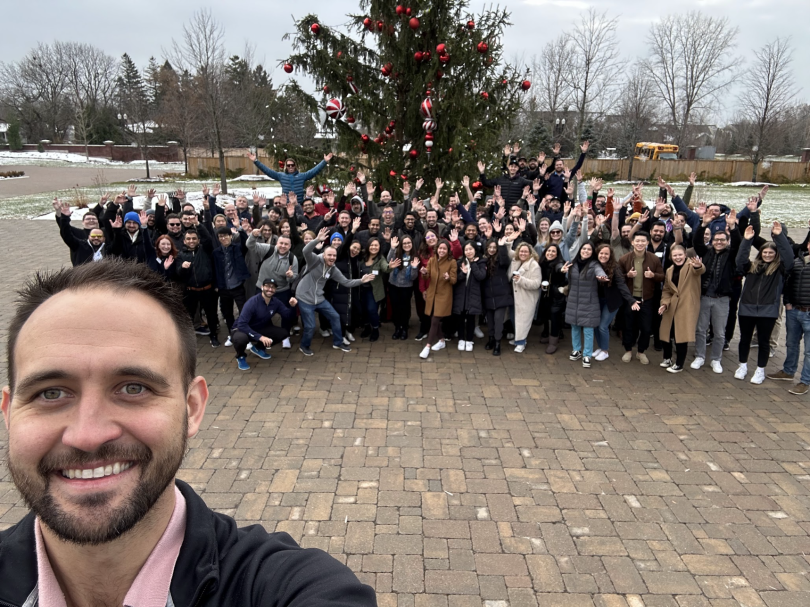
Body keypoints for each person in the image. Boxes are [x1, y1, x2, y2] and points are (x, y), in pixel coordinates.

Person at [0, 260, 377, 607]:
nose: (88, 435)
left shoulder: (284, 587)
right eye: (50, 393)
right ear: (8, 414)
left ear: (192, 407)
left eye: (133, 388)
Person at [295, 228, 375, 356]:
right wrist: (316, 239)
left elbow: (346, 282)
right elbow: (305, 250)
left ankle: (337, 342)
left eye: (334, 256)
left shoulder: (333, 269)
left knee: (335, 316)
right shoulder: (314, 260)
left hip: (319, 298)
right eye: (329, 255)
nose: (332, 258)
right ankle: (304, 346)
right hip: (304, 297)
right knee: (310, 326)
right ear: (324, 255)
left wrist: (361, 280)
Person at [734, 223, 794, 383]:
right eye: (765, 252)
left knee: (763, 341)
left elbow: (789, 258)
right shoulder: (752, 267)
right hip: (747, 308)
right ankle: (743, 366)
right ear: (760, 253)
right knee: (744, 339)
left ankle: (760, 370)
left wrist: (779, 236)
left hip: (768, 311)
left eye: (771, 253)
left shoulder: (780, 270)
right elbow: (740, 260)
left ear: (775, 254)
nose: (767, 255)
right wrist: (746, 240)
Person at [691, 210, 741, 373]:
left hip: (722, 298)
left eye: (722, 240)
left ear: (727, 242)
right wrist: (703, 224)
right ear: (712, 241)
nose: (719, 242)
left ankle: (716, 359)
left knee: (719, 332)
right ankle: (699, 356)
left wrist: (733, 228)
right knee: (700, 329)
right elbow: (697, 241)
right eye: (716, 240)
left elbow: (739, 244)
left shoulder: (731, 255)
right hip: (705, 296)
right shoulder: (706, 253)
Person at [768, 233, 810, 394]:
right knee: (791, 343)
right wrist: (787, 302)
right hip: (794, 311)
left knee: (808, 351)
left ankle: (805, 381)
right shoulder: (797, 262)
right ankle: (788, 371)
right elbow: (788, 282)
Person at [617, 232, 665, 365]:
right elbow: (619, 278)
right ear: (632, 242)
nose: (640, 243)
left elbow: (662, 276)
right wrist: (628, 275)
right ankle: (628, 350)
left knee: (646, 328)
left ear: (647, 242)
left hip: (647, 299)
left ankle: (641, 352)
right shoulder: (624, 259)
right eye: (637, 241)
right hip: (630, 299)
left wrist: (653, 275)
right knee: (628, 326)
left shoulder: (654, 259)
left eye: (643, 241)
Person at [657, 246, 705, 373]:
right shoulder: (669, 270)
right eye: (675, 255)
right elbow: (667, 289)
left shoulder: (691, 266)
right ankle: (667, 358)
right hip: (672, 305)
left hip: (687, 305)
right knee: (665, 332)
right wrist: (664, 303)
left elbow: (699, 270)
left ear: (685, 255)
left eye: (680, 255)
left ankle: (679, 364)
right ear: (671, 257)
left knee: (681, 335)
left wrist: (698, 265)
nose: (678, 258)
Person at [231, 279, 297, 371]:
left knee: (283, 333)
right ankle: (241, 356)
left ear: (275, 290)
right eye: (267, 286)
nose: (270, 289)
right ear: (262, 287)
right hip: (241, 329)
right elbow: (242, 324)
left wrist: (292, 306)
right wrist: (260, 337)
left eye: (273, 287)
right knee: (241, 339)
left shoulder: (275, 302)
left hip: (259, 328)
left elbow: (288, 316)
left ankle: (258, 348)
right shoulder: (252, 302)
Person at [563, 242, 608, 367]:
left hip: (589, 302)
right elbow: (564, 272)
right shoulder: (573, 263)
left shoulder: (594, 264)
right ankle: (576, 350)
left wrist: (602, 277)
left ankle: (587, 355)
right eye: (584, 249)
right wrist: (563, 270)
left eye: (589, 249)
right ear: (580, 250)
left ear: (592, 252)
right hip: (573, 301)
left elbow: (600, 272)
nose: (586, 251)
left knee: (588, 329)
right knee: (575, 327)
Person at [176, 229, 221, 348]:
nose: (192, 241)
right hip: (191, 291)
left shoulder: (205, 250)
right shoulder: (180, 255)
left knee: (211, 315)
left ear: (198, 240)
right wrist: (183, 267)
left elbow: (208, 238)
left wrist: (198, 224)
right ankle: (188, 338)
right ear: (184, 241)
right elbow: (179, 274)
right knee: (188, 316)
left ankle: (213, 336)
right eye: (189, 239)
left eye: (194, 238)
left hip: (207, 289)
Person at [593, 243, 635, 361]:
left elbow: (622, 285)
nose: (603, 256)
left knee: (603, 326)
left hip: (612, 302)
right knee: (596, 325)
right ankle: (601, 347)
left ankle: (605, 351)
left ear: (610, 255)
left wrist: (631, 300)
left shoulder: (615, 267)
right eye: (601, 253)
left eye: (606, 253)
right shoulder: (594, 265)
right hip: (598, 300)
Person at [419, 239, 458, 358]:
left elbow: (454, 280)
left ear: (448, 251)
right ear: (437, 249)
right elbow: (426, 277)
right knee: (433, 320)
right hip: (432, 295)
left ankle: (427, 346)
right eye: (440, 248)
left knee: (435, 320)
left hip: (444, 295)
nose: (442, 250)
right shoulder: (432, 260)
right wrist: (424, 272)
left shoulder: (452, 262)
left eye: (444, 249)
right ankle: (441, 340)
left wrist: (448, 278)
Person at [212, 226, 250, 343]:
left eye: (225, 236)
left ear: (230, 236)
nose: (223, 238)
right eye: (221, 236)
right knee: (227, 313)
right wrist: (216, 285)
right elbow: (215, 270)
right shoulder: (216, 252)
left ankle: (245, 334)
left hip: (238, 286)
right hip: (224, 287)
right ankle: (232, 333)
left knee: (243, 311)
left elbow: (245, 244)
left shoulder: (238, 248)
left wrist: (241, 229)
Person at [247, 151, 334, 201]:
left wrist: (324, 162)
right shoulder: (280, 175)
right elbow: (267, 171)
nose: (291, 167)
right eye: (288, 165)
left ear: (295, 166)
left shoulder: (302, 176)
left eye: (292, 165)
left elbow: (314, 171)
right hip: (287, 204)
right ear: (286, 166)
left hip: (299, 204)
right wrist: (256, 161)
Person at [54, 199, 116, 266]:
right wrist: (60, 213)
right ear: (82, 222)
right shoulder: (78, 235)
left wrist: (101, 205)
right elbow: (65, 230)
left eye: (94, 219)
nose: (91, 220)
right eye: (88, 219)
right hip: (83, 272)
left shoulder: (104, 233)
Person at [508, 241, 542, 353]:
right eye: (521, 251)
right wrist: (508, 242)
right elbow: (509, 252)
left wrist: (521, 280)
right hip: (514, 297)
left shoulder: (534, 266)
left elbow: (536, 284)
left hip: (526, 298)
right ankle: (518, 338)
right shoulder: (517, 261)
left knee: (523, 321)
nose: (523, 253)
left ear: (530, 253)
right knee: (514, 318)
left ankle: (521, 342)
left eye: (525, 251)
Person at [452, 242, 486, 352]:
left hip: (473, 295)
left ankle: (469, 339)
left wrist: (473, 264)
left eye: (471, 249)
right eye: (466, 250)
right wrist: (463, 273)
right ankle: (461, 339)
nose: (468, 252)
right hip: (461, 295)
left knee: (471, 318)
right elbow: (455, 280)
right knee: (460, 318)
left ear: (475, 250)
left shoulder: (481, 262)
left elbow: (481, 276)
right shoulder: (459, 263)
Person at [482, 238, 513, 356]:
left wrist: (501, 247)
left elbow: (506, 261)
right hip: (488, 295)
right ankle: (490, 339)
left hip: (501, 295)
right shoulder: (483, 260)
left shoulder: (500, 260)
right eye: (490, 247)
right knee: (489, 320)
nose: (492, 250)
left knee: (498, 320)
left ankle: (498, 342)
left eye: (494, 248)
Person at [387, 236, 421, 340]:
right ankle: (397, 328)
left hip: (406, 286)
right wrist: (392, 248)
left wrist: (414, 268)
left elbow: (413, 277)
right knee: (395, 307)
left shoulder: (415, 256)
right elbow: (389, 262)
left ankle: (404, 327)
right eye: (404, 243)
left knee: (405, 308)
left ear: (412, 243)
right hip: (393, 284)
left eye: (408, 243)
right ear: (401, 244)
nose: (406, 245)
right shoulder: (397, 252)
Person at [358, 237, 390, 342]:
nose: (374, 247)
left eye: (376, 245)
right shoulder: (362, 256)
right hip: (361, 289)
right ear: (368, 246)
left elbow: (386, 268)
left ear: (379, 247)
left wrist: (391, 267)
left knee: (372, 310)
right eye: (372, 245)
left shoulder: (380, 259)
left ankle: (375, 329)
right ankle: (367, 327)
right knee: (363, 310)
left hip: (374, 290)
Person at [538, 244, 568, 354]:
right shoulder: (542, 262)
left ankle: (553, 342)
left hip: (557, 295)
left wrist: (562, 270)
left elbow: (559, 270)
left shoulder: (558, 263)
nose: (550, 253)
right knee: (546, 315)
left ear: (557, 254)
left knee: (555, 317)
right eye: (548, 250)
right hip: (546, 294)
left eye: (553, 251)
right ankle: (550, 336)